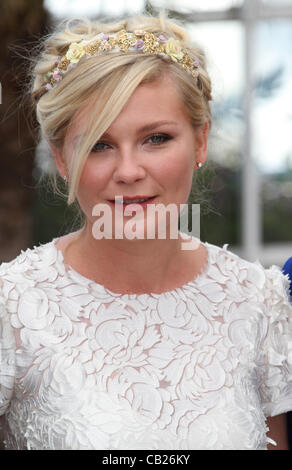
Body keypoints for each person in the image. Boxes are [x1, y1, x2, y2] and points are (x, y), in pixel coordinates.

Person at [0, 13, 292, 451]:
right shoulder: (11, 308)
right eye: (100, 144)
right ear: (61, 159)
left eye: (155, 138)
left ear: (200, 140)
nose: (129, 171)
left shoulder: (261, 301)